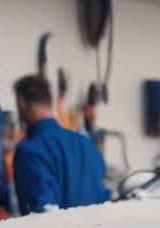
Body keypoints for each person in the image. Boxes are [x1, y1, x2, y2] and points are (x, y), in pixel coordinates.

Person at [12, 75, 110, 213]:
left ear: (21, 103)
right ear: (49, 101)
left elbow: (41, 215)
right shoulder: (87, 145)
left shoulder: (30, 152)